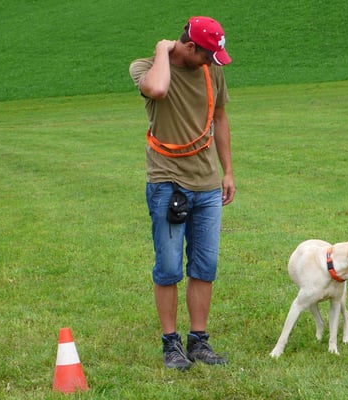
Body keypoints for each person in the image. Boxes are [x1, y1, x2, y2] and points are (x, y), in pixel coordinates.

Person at [129, 16, 235, 371]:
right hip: (167, 182)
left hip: (207, 184)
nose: (211, 62)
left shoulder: (212, 71)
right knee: (169, 266)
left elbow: (220, 118)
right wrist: (163, 50)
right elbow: (158, 90)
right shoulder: (145, 68)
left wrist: (227, 171)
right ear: (189, 46)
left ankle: (199, 341)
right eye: (206, 55)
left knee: (205, 265)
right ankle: (171, 344)